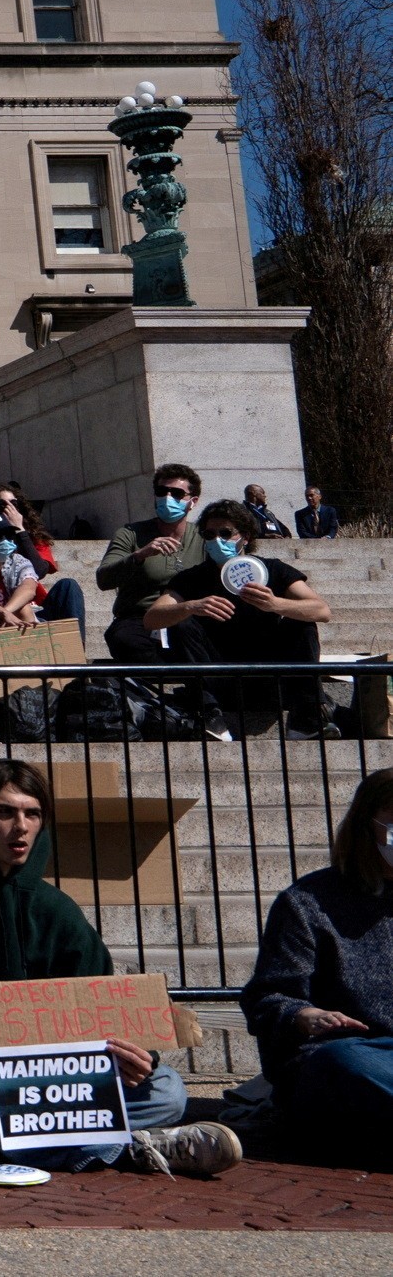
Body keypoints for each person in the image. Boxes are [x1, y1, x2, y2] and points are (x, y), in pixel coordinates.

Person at [0, 757, 241, 1175]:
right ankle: (125, 1149)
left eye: (32, 814)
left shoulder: (56, 909)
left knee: (167, 1090)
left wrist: (139, 1055)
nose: (20, 827)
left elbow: (105, 1001)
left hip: (52, 1083)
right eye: (5, 812)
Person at [242, 767, 393, 1164]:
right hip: (354, 1054)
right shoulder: (307, 903)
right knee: (343, 1063)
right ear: (369, 824)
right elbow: (268, 997)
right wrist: (306, 1015)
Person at [144, 499, 335, 736]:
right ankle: (209, 715)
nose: (217, 540)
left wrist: (275, 604)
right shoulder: (192, 578)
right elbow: (152, 618)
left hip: (270, 676)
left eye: (225, 533)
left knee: (301, 621)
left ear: (245, 536)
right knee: (179, 620)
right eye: (209, 534)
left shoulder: (273, 569)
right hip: (219, 680)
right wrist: (191, 606)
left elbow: (322, 610)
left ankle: (306, 716)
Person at [96, 462, 207, 664]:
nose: (168, 498)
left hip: (187, 617)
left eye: (177, 493)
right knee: (123, 638)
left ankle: (201, 692)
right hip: (139, 618)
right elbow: (104, 579)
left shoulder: (204, 537)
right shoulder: (130, 533)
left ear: (193, 501)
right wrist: (140, 554)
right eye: (161, 491)